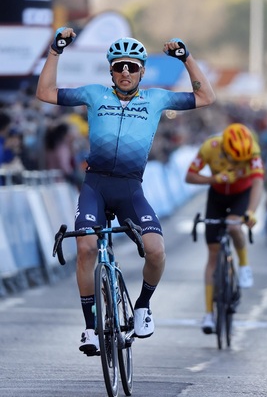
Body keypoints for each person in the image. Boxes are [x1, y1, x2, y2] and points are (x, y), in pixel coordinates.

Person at [36, 27, 215, 355]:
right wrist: (56, 50)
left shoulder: (157, 98)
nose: (126, 72)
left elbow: (206, 98)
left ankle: (143, 305)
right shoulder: (94, 94)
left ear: (143, 71)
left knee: (156, 251)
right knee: (87, 248)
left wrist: (186, 58)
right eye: (119, 66)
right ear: (111, 71)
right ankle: (90, 329)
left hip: (131, 189)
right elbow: (45, 93)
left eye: (132, 66)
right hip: (96, 186)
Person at [185, 123, 264, 334]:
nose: (240, 164)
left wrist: (252, 211)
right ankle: (209, 314)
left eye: (243, 161)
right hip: (217, 196)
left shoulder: (253, 149)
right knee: (212, 255)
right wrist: (213, 178)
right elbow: (189, 176)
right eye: (235, 160)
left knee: (233, 225)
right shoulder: (209, 147)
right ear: (224, 151)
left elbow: (258, 182)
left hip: (242, 194)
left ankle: (244, 266)